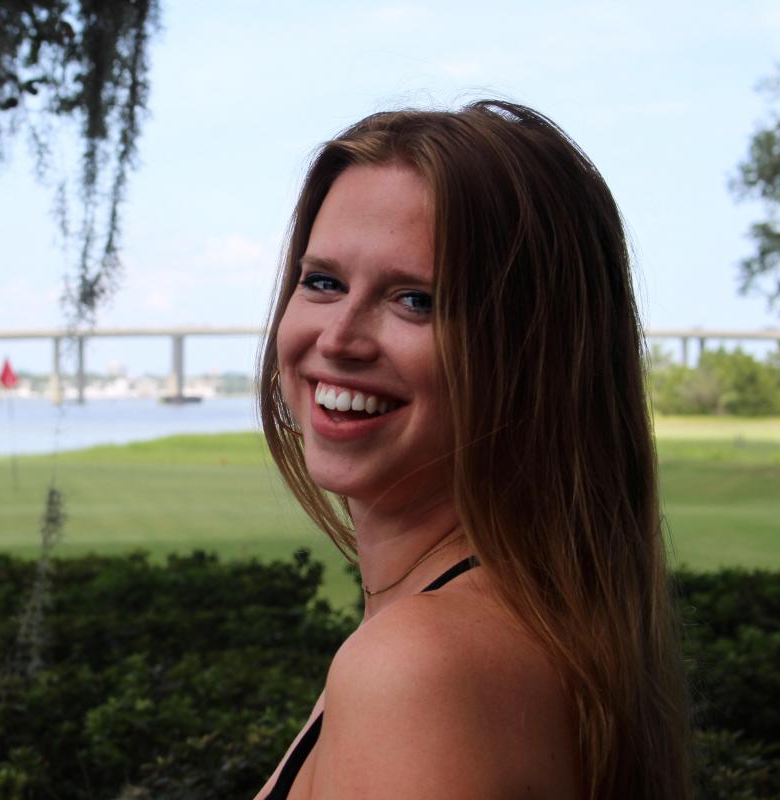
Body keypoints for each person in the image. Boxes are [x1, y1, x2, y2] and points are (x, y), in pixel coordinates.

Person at [253, 101, 691, 799]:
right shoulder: (487, 623)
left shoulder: (420, 669)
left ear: (538, 353)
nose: (338, 339)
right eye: (324, 282)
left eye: (417, 300)